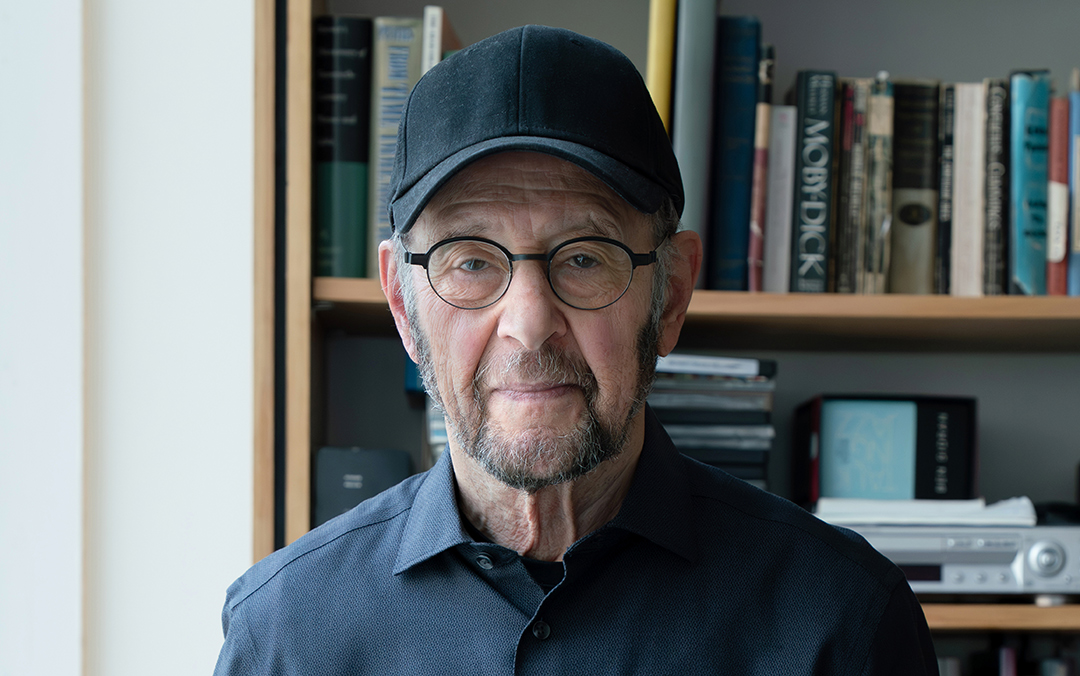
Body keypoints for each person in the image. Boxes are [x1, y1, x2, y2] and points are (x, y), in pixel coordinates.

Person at [214, 25, 938, 675]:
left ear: (672, 295)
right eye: (471, 261)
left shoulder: (842, 623)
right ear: (403, 305)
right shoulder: (284, 635)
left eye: (585, 258)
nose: (529, 324)